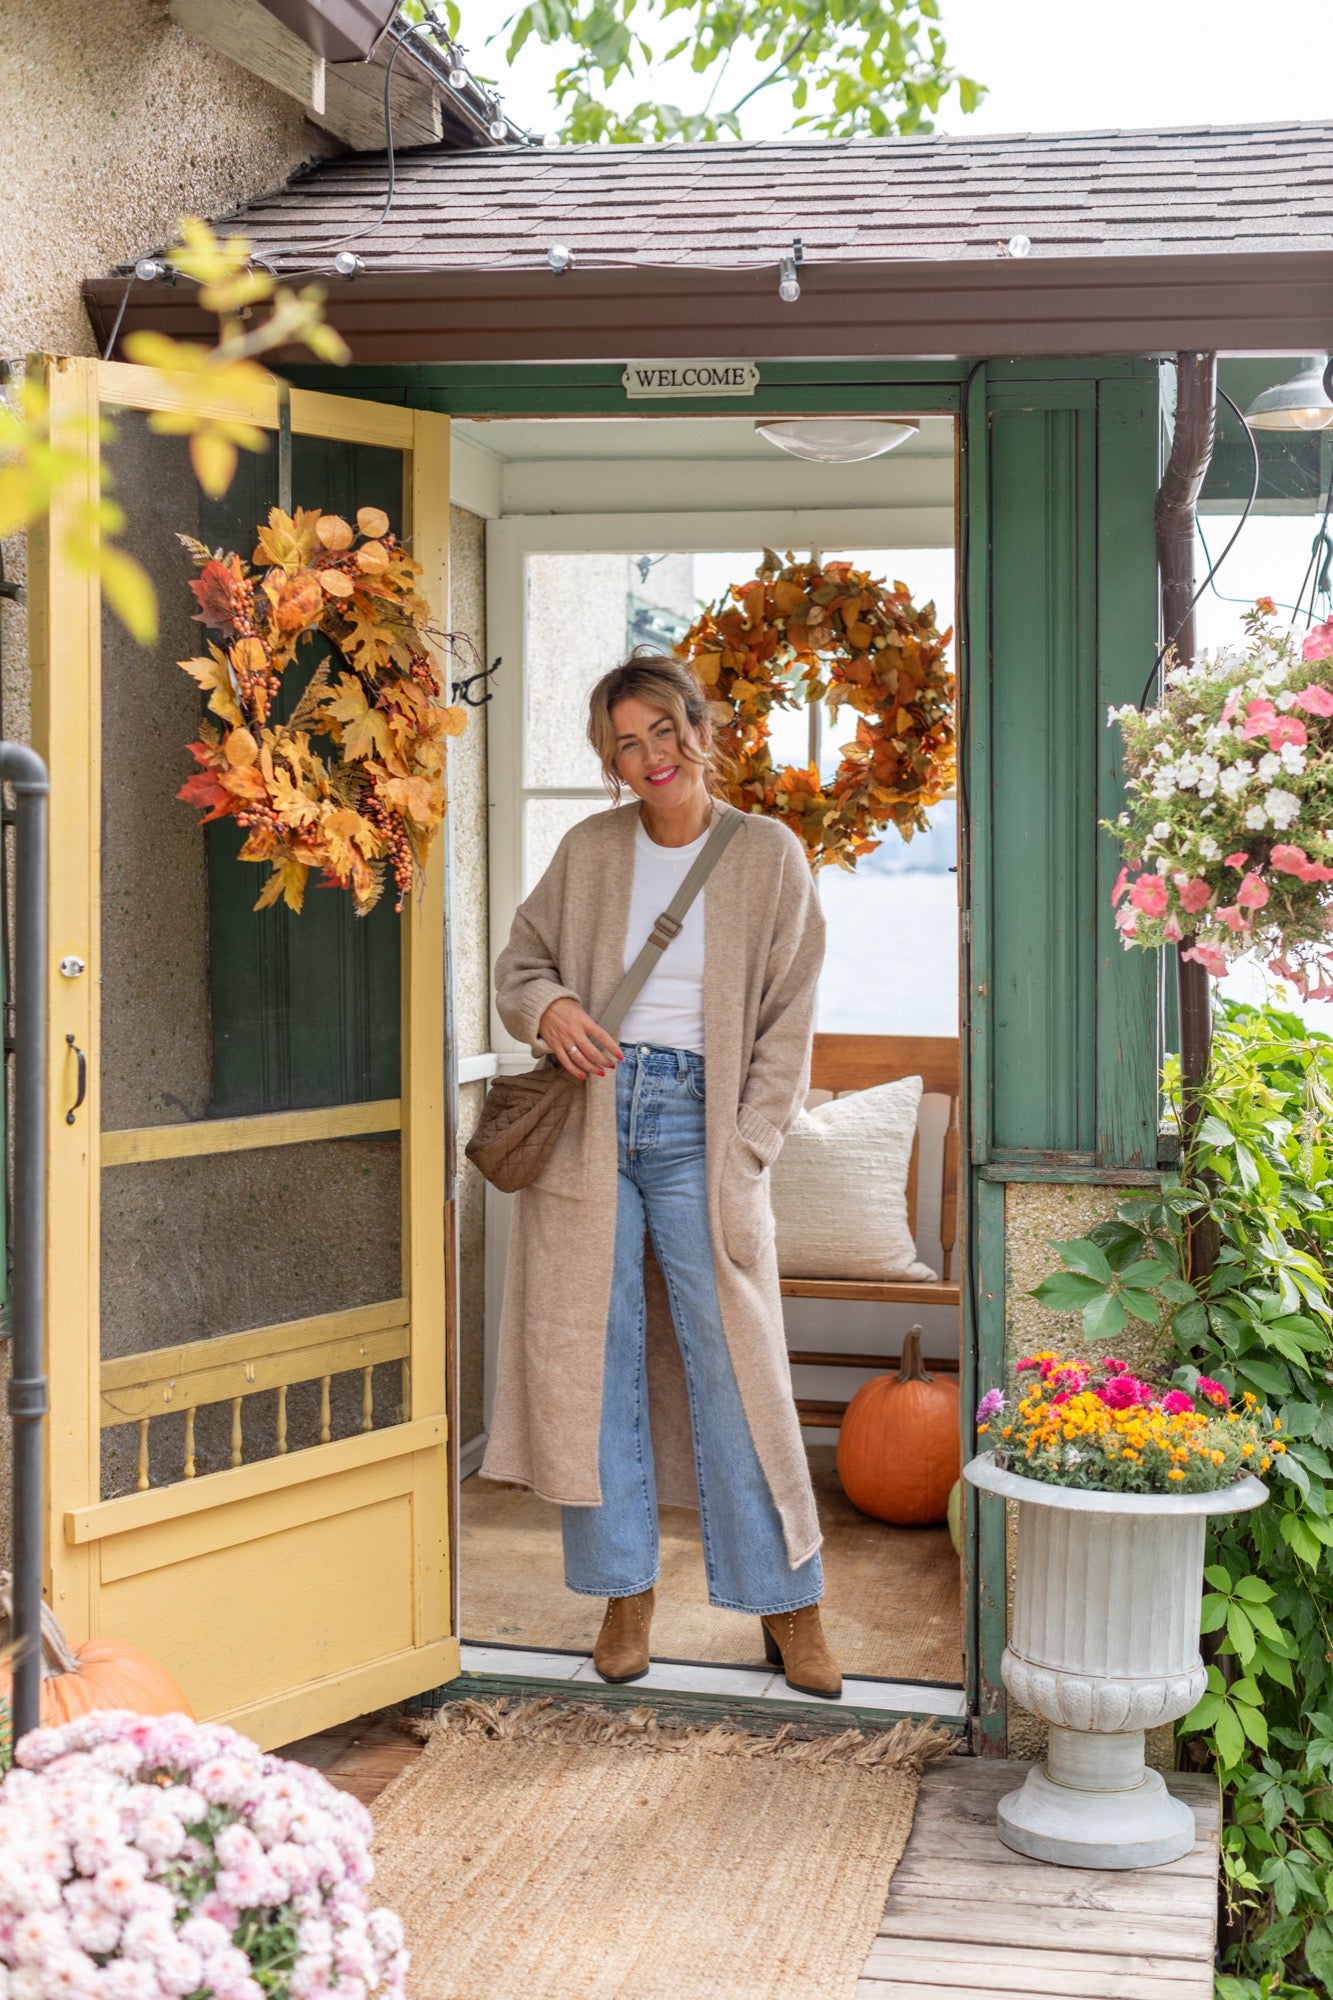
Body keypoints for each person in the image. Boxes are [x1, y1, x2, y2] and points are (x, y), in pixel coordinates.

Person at [480, 648, 840, 1698]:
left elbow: (787, 1029)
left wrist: (745, 1155)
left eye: (662, 731)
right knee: (595, 1360)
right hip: (591, 1122)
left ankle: (791, 1602)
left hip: (700, 1125)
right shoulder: (590, 850)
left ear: (699, 727)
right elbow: (520, 963)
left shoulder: (768, 853)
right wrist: (549, 1007)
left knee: (737, 1364)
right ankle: (622, 1590)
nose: (649, 756)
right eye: (624, 744)